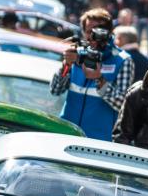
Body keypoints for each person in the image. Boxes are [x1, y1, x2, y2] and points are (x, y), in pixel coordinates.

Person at [50, 9, 134, 141]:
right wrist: (66, 64)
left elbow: (122, 105)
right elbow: (55, 90)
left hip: (98, 142)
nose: (92, 36)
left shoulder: (123, 60)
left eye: (98, 31)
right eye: (89, 31)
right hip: (66, 135)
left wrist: (99, 79)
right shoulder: (77, 53)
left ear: (109, 33)